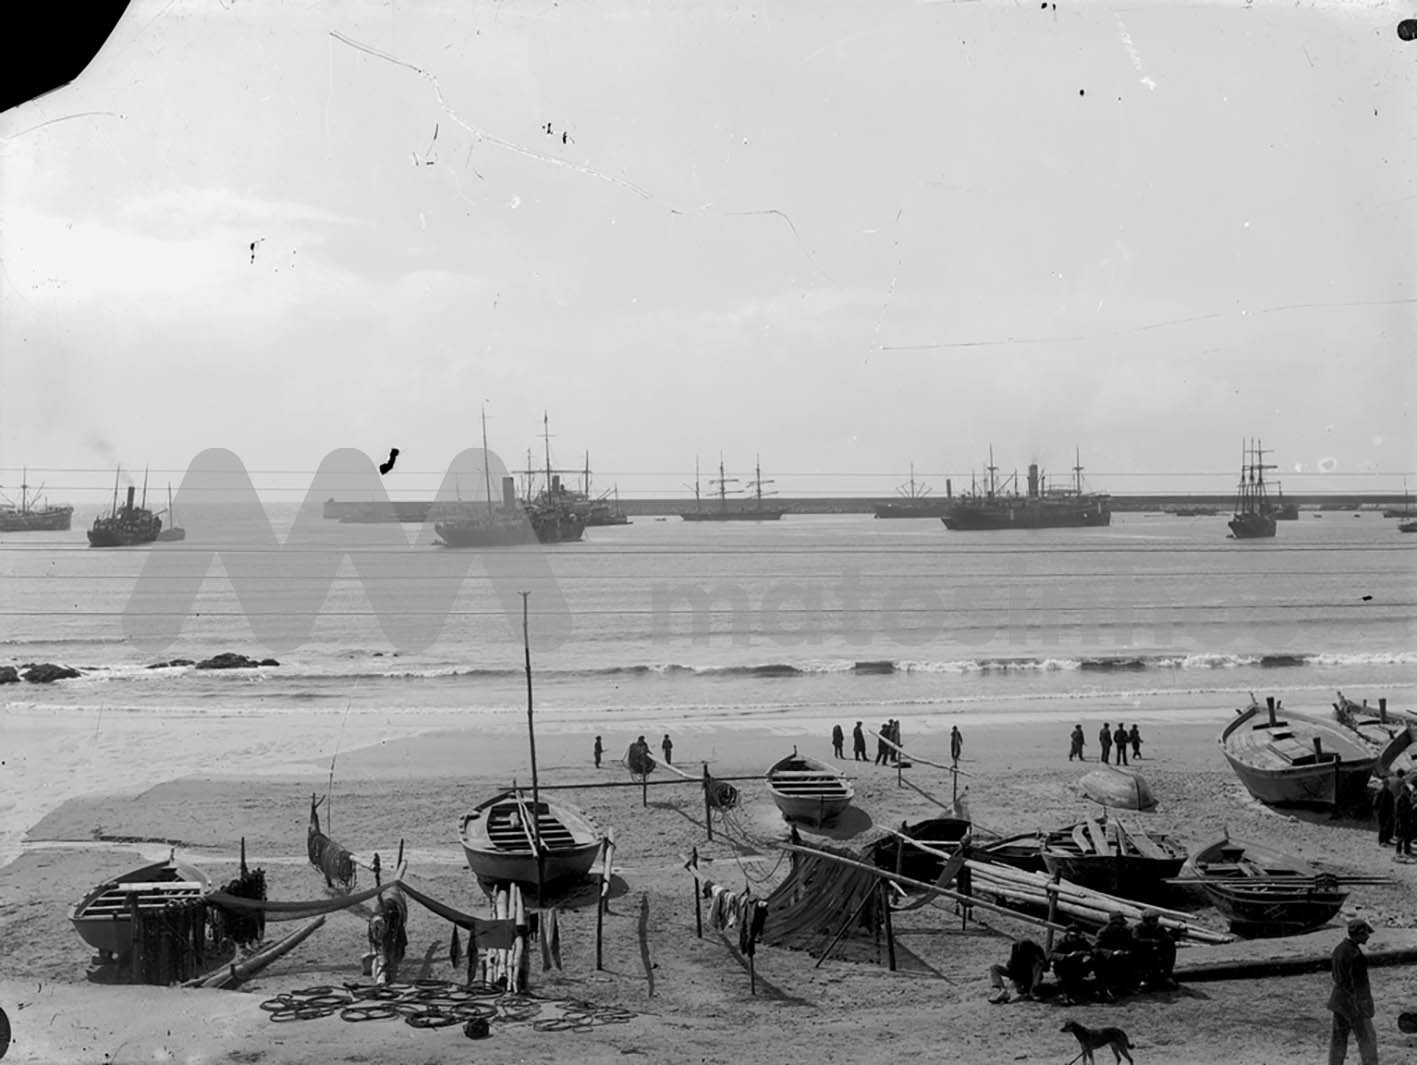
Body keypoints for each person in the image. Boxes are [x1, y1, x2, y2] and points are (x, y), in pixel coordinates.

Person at [1328, 918, 1377, 1065]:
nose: (1368, 937)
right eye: (1366, 934)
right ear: (1359, 934)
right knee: (1368, 1039)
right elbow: (1360, 986)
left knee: (1338, 1039)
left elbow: (1336, 977)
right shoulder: (1356, 955)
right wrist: (1366, 1007)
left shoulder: (1339, 949)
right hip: (1354, 1005)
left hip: (1338, 1001)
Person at [1092, 911, 1137, 1000]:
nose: (1120, 926)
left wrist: (1127, 951)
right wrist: (1112, 953)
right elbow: (1096, 949)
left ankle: (1125, 986)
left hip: (1122, 956)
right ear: (1112, 923)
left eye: (1121, 924)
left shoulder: (1125, 931)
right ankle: (1105, 989)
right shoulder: (1103, 932)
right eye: (1118, 924)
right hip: (1107, 959)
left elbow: (1131, 944)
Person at [987, 938, 1047, 1003]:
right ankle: (1003, 991)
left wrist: (1040, 962)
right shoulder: (1016, 946)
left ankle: (1033, 991)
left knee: (1038, 965)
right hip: (1018, 974)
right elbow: (1012, 966)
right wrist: (1017, 982)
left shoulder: (1037, 949)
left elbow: (1046, 968)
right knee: (994, 967)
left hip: (1032, 977)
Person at [1050, 923, 1095, 1004]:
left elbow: (1093, 950)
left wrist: (1086, 953)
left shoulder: (1082, 941)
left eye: (1075, 936)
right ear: (1067, 934)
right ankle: (1066, 994)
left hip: (1076, 968)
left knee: (1093, 961)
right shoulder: (1061, 941)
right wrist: (1066, 956)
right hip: (1063, 969)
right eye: (1071, 936)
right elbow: (1052, 954)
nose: (1073, 938)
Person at [1132, 910, 1177, 989]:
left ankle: (1167, 976)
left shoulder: (1159, 928)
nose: (1156, 921)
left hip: (1157, 950)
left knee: (1170, 948)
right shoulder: (1138, 928)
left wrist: (1167, 940)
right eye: (1154, 920)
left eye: (1156, 919)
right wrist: (1150, 941)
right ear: (1146, 920)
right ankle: (1144, 979)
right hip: (1144, 952)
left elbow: (1167, 938)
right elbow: (1135, 940)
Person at [1395, 776, 1414, 861]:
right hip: (1401, 820)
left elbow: (1409, 808)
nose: (1406, 792)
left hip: (1407, 820)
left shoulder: (1407, 799)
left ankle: (1406, 851)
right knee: (1400, 837)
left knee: (1407, 837)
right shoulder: (1399, 799)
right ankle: (1398, 851)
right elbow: (1397, 811)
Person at [1374, 772, 1395, 847]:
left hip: (1384, 812)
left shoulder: (1382, 792)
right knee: (1383, 826)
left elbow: (1375, 803)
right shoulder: (1384, 792)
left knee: (1387, 826)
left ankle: (1386, 840)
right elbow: (1375, 803)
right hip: (1383, 812)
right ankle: (1382, 841)